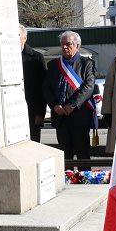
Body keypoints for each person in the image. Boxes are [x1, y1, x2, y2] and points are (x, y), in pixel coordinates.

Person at [43, 31, 96, 163]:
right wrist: (55, 105)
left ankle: (84, 181)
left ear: (77, 46)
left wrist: (72, 105)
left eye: (68, 44)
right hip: (60, 117)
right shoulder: (53, 65)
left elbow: (88, 87)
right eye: (63, 44)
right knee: (64, 155)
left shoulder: (87, 64)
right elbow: (46, 88)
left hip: (80, 115)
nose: (65, 47)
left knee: (83, 153)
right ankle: (66, 181)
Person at [20, 25, 47, 143]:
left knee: (33, 144)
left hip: (32, 112)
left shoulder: (36, 58)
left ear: (25, 38)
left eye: (17, 36)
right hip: (12, 112)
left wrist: (40, 113)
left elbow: (43, 87)